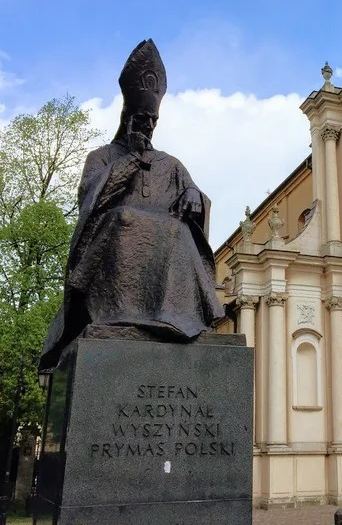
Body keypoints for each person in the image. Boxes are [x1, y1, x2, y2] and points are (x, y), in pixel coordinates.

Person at [40, 39, 224, 369]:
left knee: (178, 231)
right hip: (112, 244)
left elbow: (197, 199)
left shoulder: (171, 165)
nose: (148, 126)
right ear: (126, 116)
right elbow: (90, 201)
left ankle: (171, 315)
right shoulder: (102, 157)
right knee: (124, 217)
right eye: (141, 119)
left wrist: (195, 197)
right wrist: (131, 160)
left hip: (168, 241)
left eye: (152, 120)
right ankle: (120, 314)